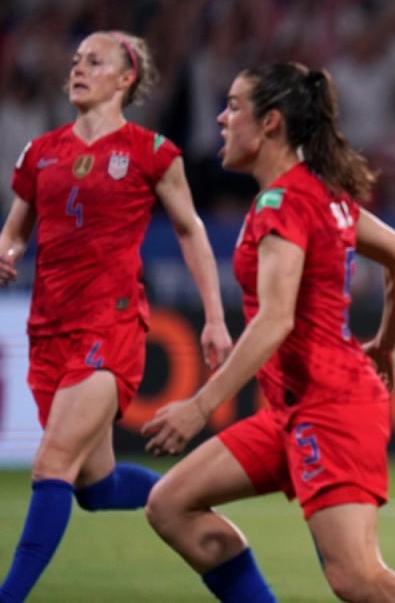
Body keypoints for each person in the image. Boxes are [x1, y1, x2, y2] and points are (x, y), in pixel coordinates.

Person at [141, 62, 395, 603]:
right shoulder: (320, 194)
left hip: (330, 407)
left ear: (271, 124)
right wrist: (387, 345)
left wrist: (200, 405)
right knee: (170, 505)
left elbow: (275, 319)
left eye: (234, 106)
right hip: (292, 410)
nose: (221, 118)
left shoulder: (281, 203)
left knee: (358, 578)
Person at [0, 30, 232, 602]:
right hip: (48, 329)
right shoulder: (40, 152)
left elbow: (191, 231)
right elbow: (15, 231)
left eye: (94, 61)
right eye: (75, 59)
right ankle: (182, 494)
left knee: (52, 460)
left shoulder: (153, 153)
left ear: (126, 78)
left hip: (111, 325)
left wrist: (214, 317)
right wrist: (4, 254)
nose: (78, 68)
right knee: (93, 486)